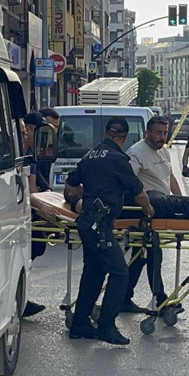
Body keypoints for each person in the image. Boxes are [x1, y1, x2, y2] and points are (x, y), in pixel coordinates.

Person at [65, 117, 155, 344]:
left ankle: (80, 325)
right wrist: (149, 211)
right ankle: (106, 325)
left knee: (93, 273)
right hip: (100, 225)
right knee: (120, 273)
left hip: (87, 222)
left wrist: (79, 199)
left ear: (106, 133)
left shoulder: (89, 156)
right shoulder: (118, 159)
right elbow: (140, 193)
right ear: (123, 137)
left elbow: (71, 185)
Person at [123, 116, 183, 313]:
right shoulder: (136, 154)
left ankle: (124, 297)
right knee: (153, 254)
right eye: (158, 133)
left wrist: (180, 201)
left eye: (165, 133)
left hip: (163, 207)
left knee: (139, 256)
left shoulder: (162, 151)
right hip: (147, 212)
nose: (162, 137)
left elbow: (170, 177)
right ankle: (161, 299)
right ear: (147, 132)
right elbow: (129, 184)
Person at [22, 113, 56, 318]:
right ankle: (22, 298)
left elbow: (34, 186)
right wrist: (43, 206)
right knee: (34, 246)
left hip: (27, 206)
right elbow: (28, 190)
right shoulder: (19, 151)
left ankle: (23, 295)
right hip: (19, 209)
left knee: (37, 246)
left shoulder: (31, 153)